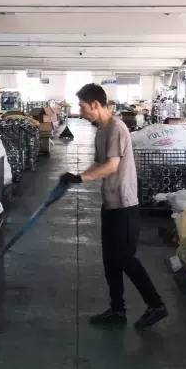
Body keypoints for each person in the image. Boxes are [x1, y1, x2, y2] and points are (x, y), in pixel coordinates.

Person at [61, 84, 168, 329]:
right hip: (110, 204)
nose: (81, 112)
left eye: (83, 107)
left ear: (96, 104)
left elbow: (111, 166)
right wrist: (75, 176)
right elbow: (98, 164)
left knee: (126, 259)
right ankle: (117, 310)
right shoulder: (101, 130)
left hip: (124, 206)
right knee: (110, 261)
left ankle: (156, 305)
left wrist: (81, 179)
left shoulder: (116, 128)